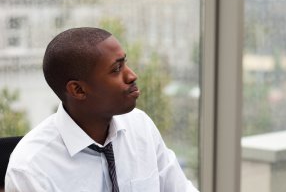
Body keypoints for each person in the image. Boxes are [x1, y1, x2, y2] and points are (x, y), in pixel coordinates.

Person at [5, 27, 199, 192]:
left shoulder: (140, 126)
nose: (132, 75)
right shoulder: (30, 168)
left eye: (125, 63)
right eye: (116, 69)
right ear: (78, 90)